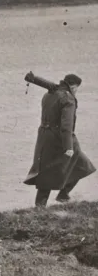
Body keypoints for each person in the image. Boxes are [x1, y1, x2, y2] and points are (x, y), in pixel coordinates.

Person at [24, 74, 95, 207]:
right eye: (77, 89)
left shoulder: (49, 95)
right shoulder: (68, 99)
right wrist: (68, 147)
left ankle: (43, 204)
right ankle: (62, 195)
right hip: (62, 139)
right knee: (83, 166)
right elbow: (66, 126)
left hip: (45, 137)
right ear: (73, 87)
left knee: (46, 170)